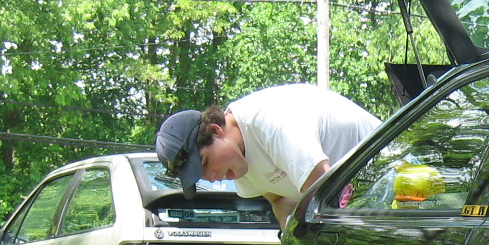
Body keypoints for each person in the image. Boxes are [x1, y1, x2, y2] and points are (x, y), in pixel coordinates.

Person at [155, 84, 380, 224]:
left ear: (215, 130)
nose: (212, 178)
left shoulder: (271, 122)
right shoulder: (237, 162)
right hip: (360, 199)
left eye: (205, 163)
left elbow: (325, 193)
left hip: (386, 170)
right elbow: (281, 200)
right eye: (201, 176)